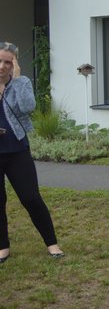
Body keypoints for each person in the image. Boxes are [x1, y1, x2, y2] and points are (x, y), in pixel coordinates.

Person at [0, 41, 64, 263]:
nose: (2, 66)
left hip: (17, 150)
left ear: (14, 63)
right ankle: (3, 248)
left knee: (31, 198)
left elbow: (28, 107)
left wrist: (16, 81)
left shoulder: (21, 82)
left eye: (8, 62)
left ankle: (52, 244)